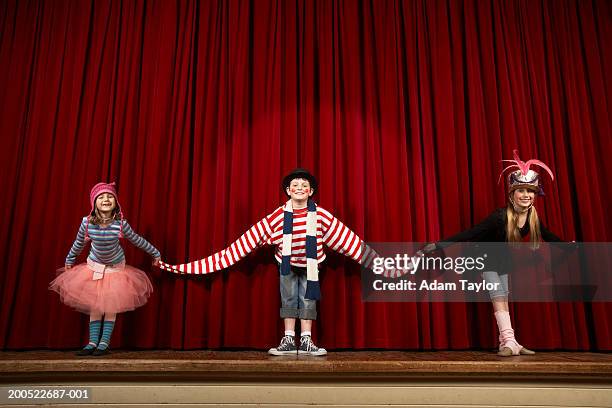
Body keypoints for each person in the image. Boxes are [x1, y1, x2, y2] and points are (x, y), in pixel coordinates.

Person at [158, 169, 379, 356]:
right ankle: (289, 339)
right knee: (289, 298)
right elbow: (247, 241)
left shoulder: (320, 215)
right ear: (288, 190)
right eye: (295, 184)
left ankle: (308, 340)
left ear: (311, 191)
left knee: (309, 299)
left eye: (304, 185)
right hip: (287, 266)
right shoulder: (279, 216)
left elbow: (347, 240)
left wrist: (384, 264)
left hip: (312, 267)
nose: (300, 187)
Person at [421, 151, 563, 356]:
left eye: (530, 191)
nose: (526, 195)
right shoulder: (499, 216)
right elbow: (472, 232)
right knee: (498, 297)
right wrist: (439, 244)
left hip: (502, 260)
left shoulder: (532, 217)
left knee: (504, 297)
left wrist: (570, 246)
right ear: (512, 194)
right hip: (483, 258)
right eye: (521, 190)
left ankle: (509, 342)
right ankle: (509, 342)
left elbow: (548, 236)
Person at [50, 182, 161, 356]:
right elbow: (78, 243)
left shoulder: (120, 224)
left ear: (116, 203)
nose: (106, 199)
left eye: (110, 197)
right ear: (94, 203)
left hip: (115, 268)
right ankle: (92, 342)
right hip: (94, 266)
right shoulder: (86, 223)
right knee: (96, 306)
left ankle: (104, 343)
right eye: (101, 197)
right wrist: (70, 259)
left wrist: (155, 253)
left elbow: (137, 240)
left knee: (110, 306)